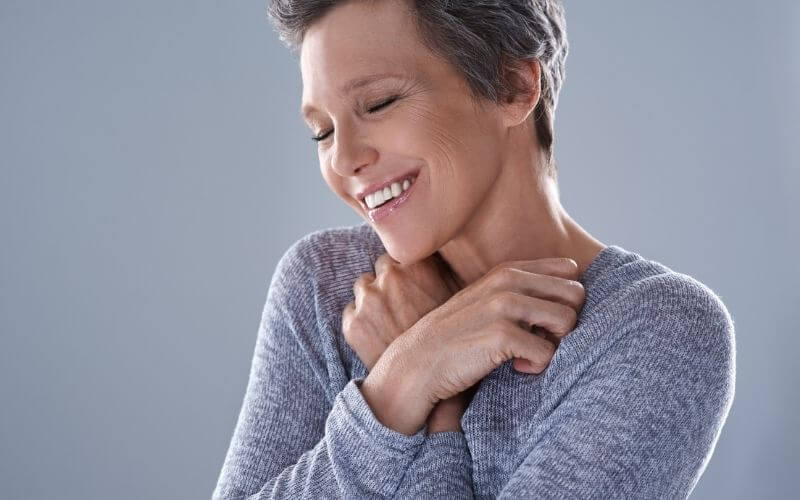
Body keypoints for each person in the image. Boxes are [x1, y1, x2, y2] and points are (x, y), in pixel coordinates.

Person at [212, 1, 736, 498]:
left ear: (512, 85)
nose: (343, 158)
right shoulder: (323, 285)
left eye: (379, 103)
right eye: (322, 132)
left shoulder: (656, 331)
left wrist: (437, 417)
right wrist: (401, 382)